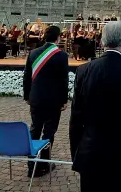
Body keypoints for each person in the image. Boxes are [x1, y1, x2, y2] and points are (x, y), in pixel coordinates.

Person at [70, 21, 121, 192]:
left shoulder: (84, 70)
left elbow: (76, 118)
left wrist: (77, 154)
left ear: (102, 41)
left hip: (90, 152)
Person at [23, 25, 69, 178]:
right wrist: (64, 99)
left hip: (35, 98)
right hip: (53, 100)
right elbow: (63, 80)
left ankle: (31, 166)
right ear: (58, 37)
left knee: (34, 129)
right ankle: (43, 164)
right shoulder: (61, 55)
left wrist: (27, 96)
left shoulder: (33, 53)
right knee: (49, 132)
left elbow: (27, 77)